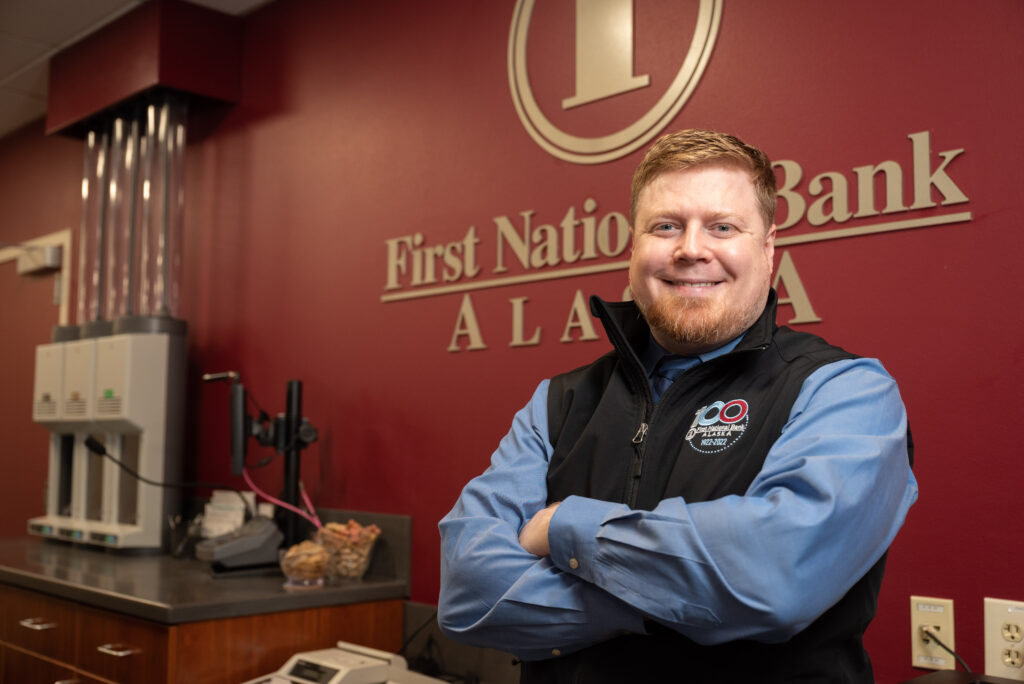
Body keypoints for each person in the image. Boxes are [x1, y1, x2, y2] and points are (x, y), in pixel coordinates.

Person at [437, 129, 917, 683]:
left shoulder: (844, 390)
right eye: (666, 226)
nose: (691, 248)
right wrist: (690, 601)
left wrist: (563, 526)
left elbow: (775, 576)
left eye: (723, 227)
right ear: (635, 249)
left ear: (767, 249)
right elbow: (467, 594)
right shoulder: (560, 401)